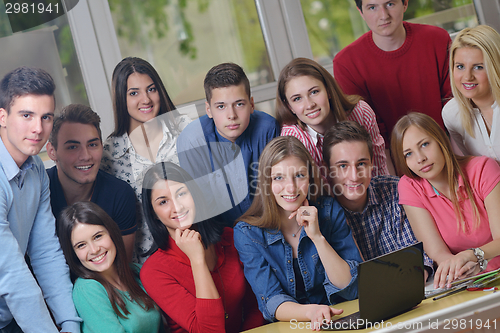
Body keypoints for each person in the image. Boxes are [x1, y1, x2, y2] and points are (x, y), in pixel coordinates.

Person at [233, 136, 361, 329]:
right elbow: (271, 301)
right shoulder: (248, 233)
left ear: (310, 177)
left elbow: (351, 287)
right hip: (293, 327)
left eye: (299, 175)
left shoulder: (329, 211)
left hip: (343, 320)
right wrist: (312, 312)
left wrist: (317, 238)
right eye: (279, 177)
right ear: (266, 182)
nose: (291, 187)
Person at [0, 67, 80, 332]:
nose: (38, 128)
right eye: (26, 115)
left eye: (46, 117)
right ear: (2, 116)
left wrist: (69, 324)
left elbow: (45, 251)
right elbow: (11, 272)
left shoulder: (36, 170)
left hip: (10, 316)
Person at [140, 162, 263, 333]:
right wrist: (197, 259)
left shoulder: (230, 238)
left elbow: (257, 305)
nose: (177, 207)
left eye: (181, 193)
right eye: (163, 202)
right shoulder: (154, 271)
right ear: (153, 213)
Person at [391, 112, 500, 289]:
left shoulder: (483, 169)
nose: (420, 159)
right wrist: (460, 268)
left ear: (441, 140)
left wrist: (472, 256)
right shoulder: (409, 186)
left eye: (424, 144)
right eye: (408, 154)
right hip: (465, 283)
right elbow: (437, 252)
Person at [101, 57, 191, 263]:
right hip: (146, 263)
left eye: (151, 89)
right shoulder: (109, 154)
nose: (146, 99)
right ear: (121, 99)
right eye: (134, 93)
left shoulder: (185, 129)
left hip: (195, 247)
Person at [322, 120, 433, 280]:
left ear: (372, 164)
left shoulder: (394, 190)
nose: (354, 176)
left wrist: (413, 279)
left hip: (414, 289)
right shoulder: (326, 216)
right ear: (327, 170)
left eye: (361, 164)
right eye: (343, 166)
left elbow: (419, 255)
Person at [177, 62, 279, 227]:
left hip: (269, 225)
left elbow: (279, 188)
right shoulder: (192, 141)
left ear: (251, 104)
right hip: (222, 235)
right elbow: (200, 207)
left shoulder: (267, 128)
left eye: (239, 104)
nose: (231, 115)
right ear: (209, 109)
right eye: (221, 106)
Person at [333, 0, 451, 142]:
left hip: (446, 144)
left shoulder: (437, 39)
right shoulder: (346, 63)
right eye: (372, 7)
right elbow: (365, 128)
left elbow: (453, 104)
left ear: (405, 4)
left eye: (390, 4)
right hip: (387, 156)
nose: (384, 15)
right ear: (361, 13)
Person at [46, 104, 137, 261]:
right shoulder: (37, 192)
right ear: (52, 152)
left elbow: (122, 270)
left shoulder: (120, 194)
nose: (86, 156)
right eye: (73, 147)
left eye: (92, 144)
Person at [57, 201, 163, 333]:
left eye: (97, 237)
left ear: (111, 233)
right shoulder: (87, 289)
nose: (94, 250)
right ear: (73, 253)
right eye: (81, 245)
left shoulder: (137, 271)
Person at [277, 57, 388, 179]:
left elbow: (379, 169)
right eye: (297, 99)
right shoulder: (293, 139)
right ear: (289, 106)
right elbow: (309, 191)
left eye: (314, 92)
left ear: (328, 90)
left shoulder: (360, 112)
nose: (309, 105)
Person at [442, 25, 500, 160]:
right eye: (460, 67)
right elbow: (476, 167)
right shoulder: (452, 114)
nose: (467, 77)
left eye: (478, 67)